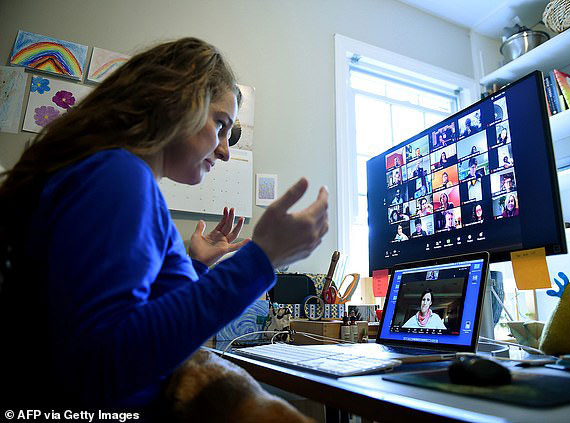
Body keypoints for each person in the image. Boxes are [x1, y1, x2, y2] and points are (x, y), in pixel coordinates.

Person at [0, 38, 329, 411]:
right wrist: (262, 258)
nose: (224, 150)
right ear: (174, 103)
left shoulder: (120, 176)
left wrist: (197, 266)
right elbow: (102, 366)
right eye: (220, 125)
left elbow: (153, 323)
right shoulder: (119, 175)